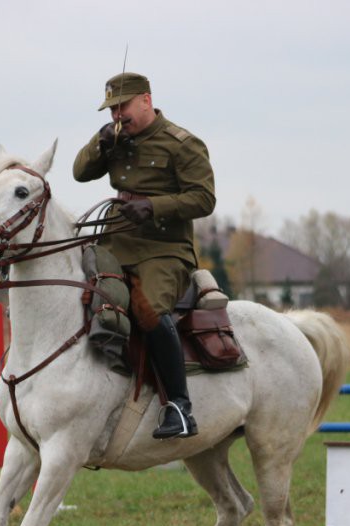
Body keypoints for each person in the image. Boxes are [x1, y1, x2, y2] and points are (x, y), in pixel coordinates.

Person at [72, 72, 216, 439]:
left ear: (146, 101)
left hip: (164, 249)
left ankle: (178, 408)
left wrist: (154, 207)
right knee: (77, 295)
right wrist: (100, 145)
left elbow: (204, 199)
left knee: (148, 309)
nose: (116, 115)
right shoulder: (115, 138)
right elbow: (79, 172)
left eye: (122, 107)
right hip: (115, 242)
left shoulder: (182, 144)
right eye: (111, 110)